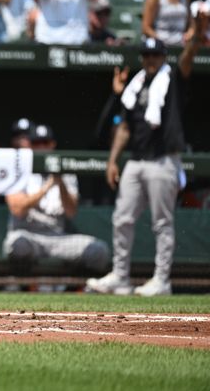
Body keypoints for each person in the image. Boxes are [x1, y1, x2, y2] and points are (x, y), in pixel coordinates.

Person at [87, 32, 203, 296]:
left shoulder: (171, 80)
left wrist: (195, 37)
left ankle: (161, 280)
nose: (151, 60)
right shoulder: (135, 85)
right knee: (122, 219)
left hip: (163, 160)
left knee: (162, 223)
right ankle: (120, 276)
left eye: (156, 55)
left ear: (163, 57)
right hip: (136, 160)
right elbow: (125, 127)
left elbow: (186, 60)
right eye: (146, 55)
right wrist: (113, 160)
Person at [3, 124, 110, 275]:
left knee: (98, 250)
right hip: (28, 235)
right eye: (36, 143)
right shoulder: (18, 169)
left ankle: (76, 291)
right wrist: (46, 188)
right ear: (29, 146)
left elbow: (71, 212)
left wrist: (60, 184)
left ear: (52, 144)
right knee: (18, 244)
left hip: (57, 237)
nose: (41, 148)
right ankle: (23, 287)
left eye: (45, 143)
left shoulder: (65, 170)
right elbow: (17, 209)